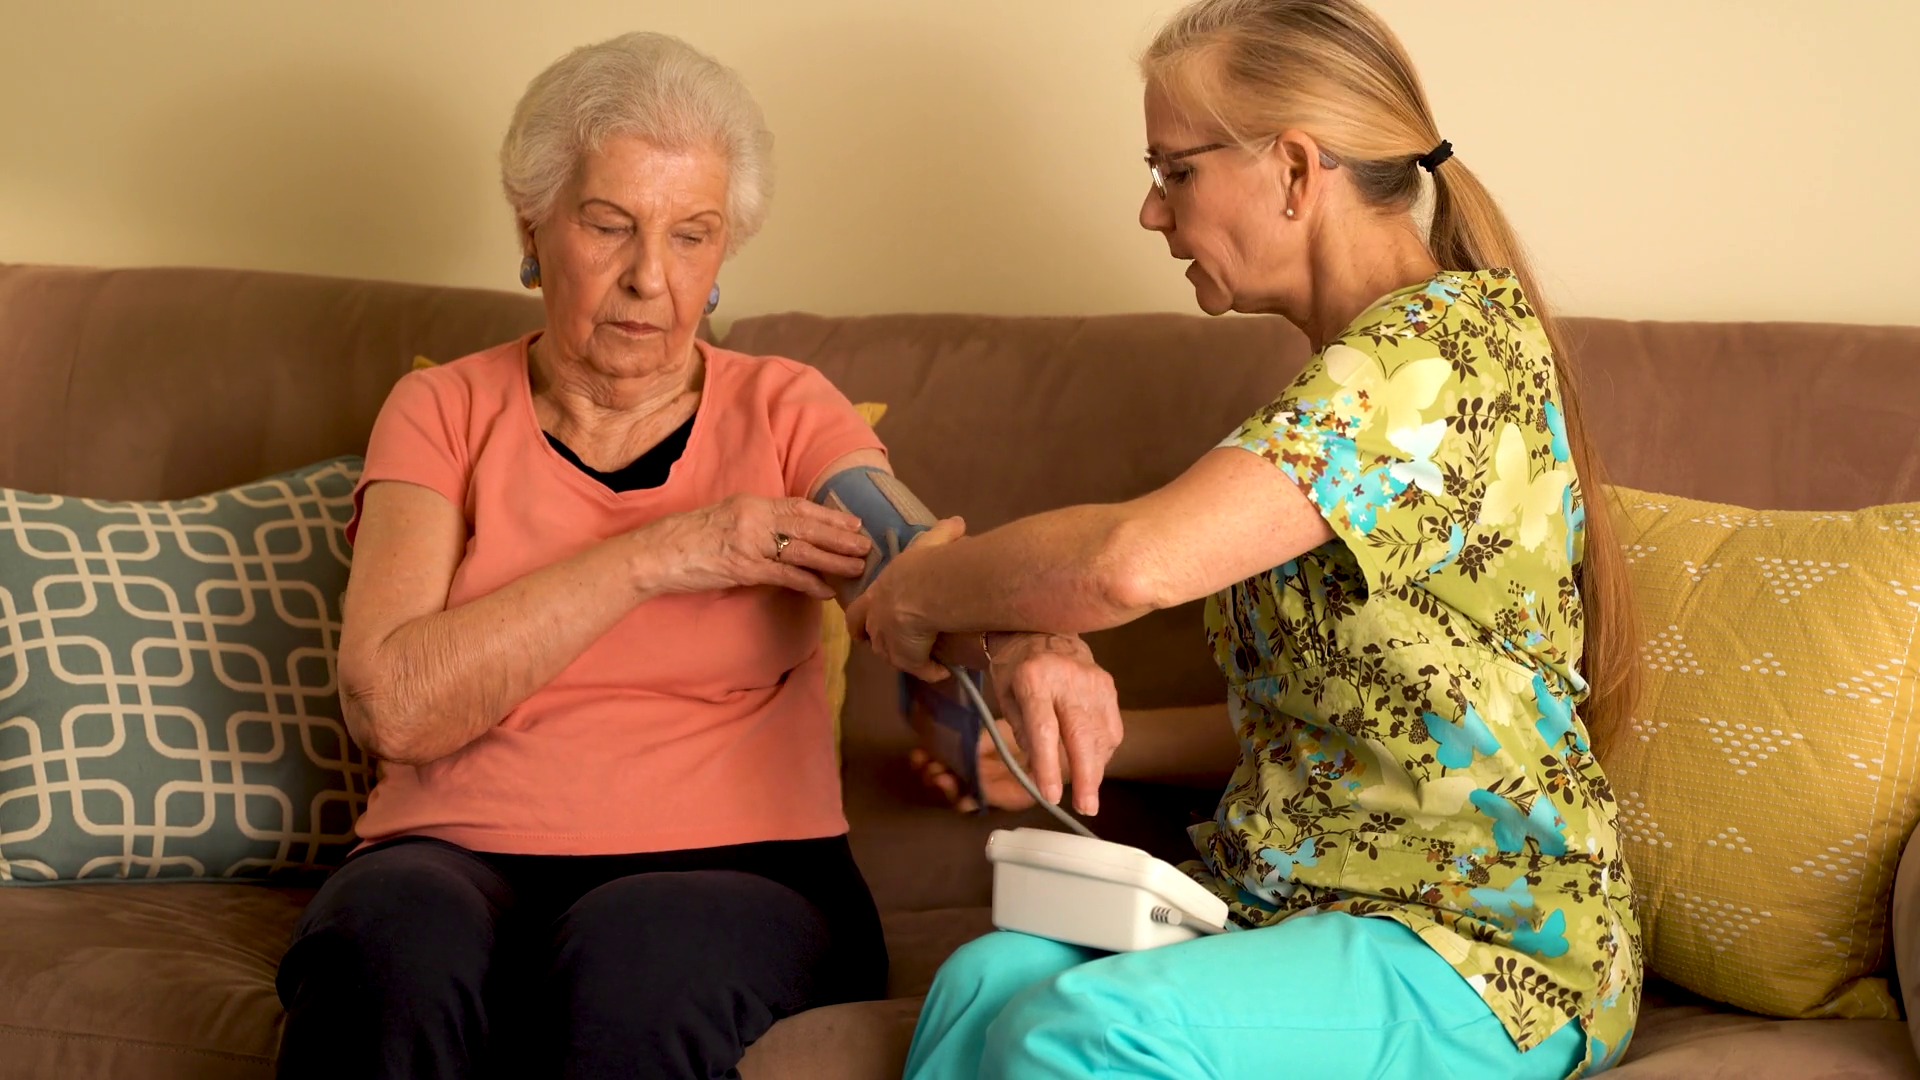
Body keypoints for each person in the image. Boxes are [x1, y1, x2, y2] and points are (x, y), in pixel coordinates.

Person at [273, 32, 1112, 1080]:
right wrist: (664, 550)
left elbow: (911, 559)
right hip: (449, 853)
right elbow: (392, 706)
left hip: (744, 873)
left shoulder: (787, 408)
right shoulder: (441, 408)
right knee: (385, 947)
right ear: (533, 226)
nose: (648, 278)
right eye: (609, 225)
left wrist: (1032, 641)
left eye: (691, 235)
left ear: (724, 252)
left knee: (634, 958)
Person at [848, 1, 1644, 1076]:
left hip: (1486, 941)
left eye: (1173, 170)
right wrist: (1100, 742)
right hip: (1305, 900)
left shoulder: (1433, 360)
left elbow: (1126, 565)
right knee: (982, 984)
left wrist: (923, 586)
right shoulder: (1354, 382)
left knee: (1086, 1031)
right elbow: (1341, 718)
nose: (1150, 210)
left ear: (1296, 171)